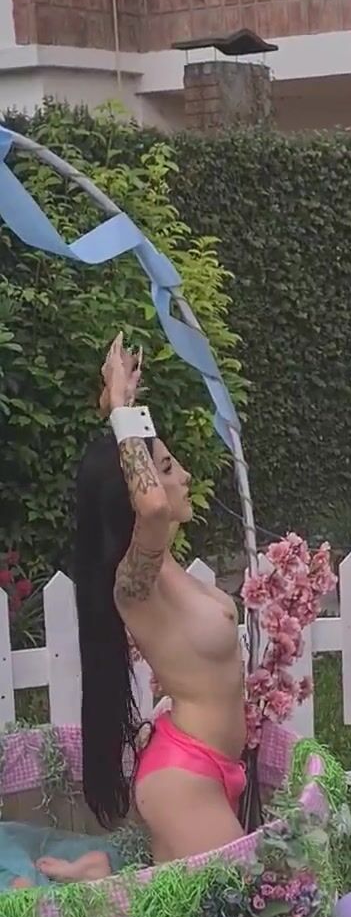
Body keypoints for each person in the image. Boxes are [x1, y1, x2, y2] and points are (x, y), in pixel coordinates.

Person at [59, 335, 248, 875]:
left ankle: (101, 871)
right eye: (167, 467)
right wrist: (119, 410)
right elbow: (152, 505)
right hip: (183, 776)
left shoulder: (165, 566)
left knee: (184, 907)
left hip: (209, 766)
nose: (182, 474)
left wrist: (123, 408)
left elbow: (134, 488)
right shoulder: (133, 585)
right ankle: (97, 878)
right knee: (234, 903)